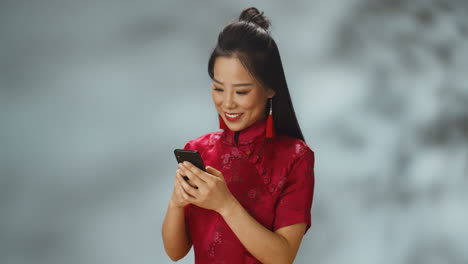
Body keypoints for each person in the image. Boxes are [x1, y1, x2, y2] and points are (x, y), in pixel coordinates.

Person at [162, 7, 315, 264]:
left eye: (241, 92)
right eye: (219, 89)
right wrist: (176, 203)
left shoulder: (296, 157)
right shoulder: (198, 150)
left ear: (270, 89)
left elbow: (282, 256)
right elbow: (175, 252)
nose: (228, 103)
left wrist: (225, 204)